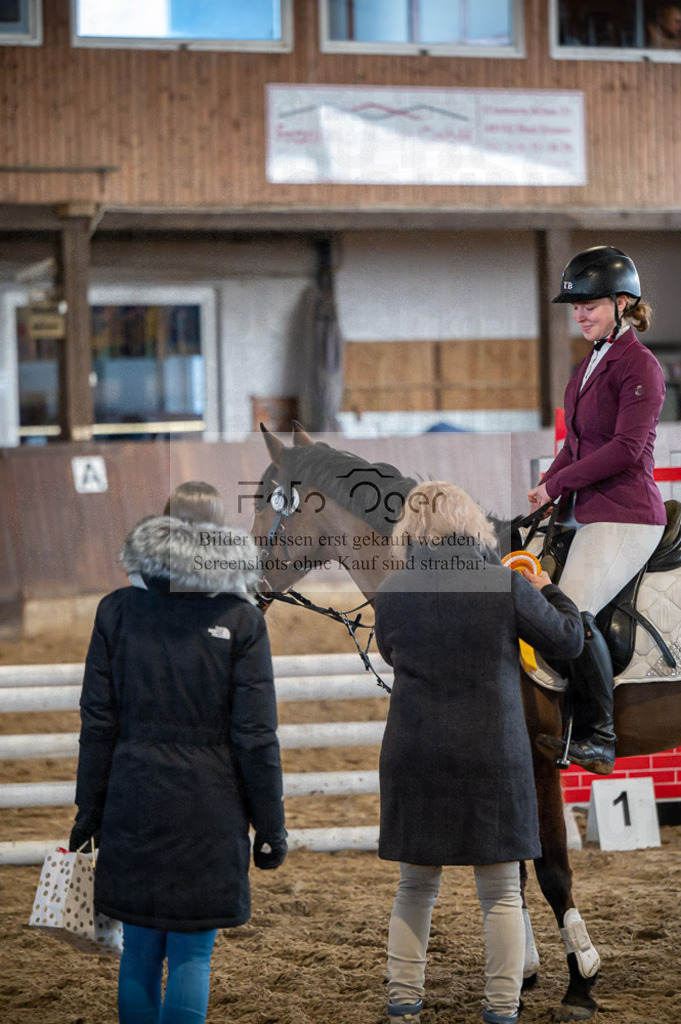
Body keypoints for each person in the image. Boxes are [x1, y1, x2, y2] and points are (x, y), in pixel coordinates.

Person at [373, 482, 584, 1024]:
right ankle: (501, 1009)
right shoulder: (504, 584)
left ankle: (403, 1006)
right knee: (501, 894)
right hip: (493, 755)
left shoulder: (391, 590)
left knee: (414, 888)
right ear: (470, 523)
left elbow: (391, 653)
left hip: (415, 753)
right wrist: (548, 589)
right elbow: (568, 640)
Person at [69, 502, 287, 1024]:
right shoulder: (242, 620)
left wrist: (88, 813)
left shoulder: (115, 611)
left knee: (139, 952)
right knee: (192, 955)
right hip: (211, 808)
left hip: (132, 798)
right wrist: (271, 826)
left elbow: (97, 725)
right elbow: (256, 738)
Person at [528, 245, 667, 775]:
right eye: (575, 307)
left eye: (589, 306)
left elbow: (626, 450)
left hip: (627, 514)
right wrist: (547, 486)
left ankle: (600, 736)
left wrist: (560, 482)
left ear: (622, 302)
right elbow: (577, 443)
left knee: (571, 610)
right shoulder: (588, 363)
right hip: (586, 510)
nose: (580, 315)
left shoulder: (640, 366)